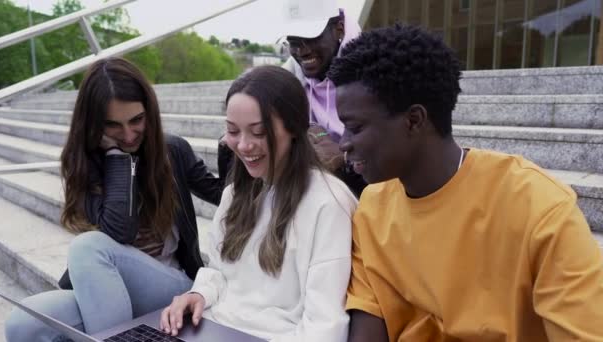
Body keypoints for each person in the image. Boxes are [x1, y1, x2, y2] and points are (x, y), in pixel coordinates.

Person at [326, 24, 603, 341]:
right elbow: (370, 312)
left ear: (414, 120)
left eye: (355, 127)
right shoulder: (373, 207)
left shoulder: (539, 210)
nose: (343, 143)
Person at [5, 57, 224, 341]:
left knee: (87, 247)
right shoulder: (84, 164)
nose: (129, 135)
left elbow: (222, 194)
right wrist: (118, 159)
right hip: (111, 290)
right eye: (113, 126)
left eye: (137, 120)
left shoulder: (174, 150)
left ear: (150, 112)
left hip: (171, 287)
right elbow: (121, 229)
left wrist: (231, 147)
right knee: (21, 325)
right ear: (94, 125)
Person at [160, 65, 357, 341]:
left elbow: (324, 327)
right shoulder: (234, 195)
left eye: (258, 132)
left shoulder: (329, 203)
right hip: (212, 328)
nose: (243, 145)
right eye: (232, 131)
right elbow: (218, 272)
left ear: (294, 128)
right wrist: (197, 294)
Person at [218, 0, 366, 196]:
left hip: (363, 174)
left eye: (311, 37)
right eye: (294, 41)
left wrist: (345, 157)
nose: (302, 50)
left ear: (339, 29)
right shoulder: (293, 70)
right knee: (230, 149)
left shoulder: (369, 70)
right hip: (315, 169)